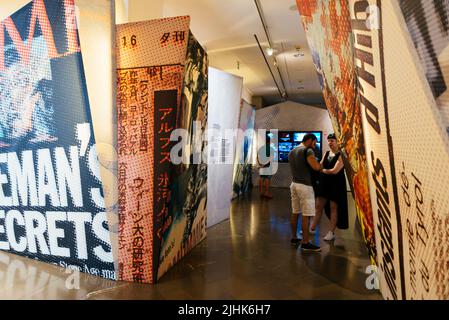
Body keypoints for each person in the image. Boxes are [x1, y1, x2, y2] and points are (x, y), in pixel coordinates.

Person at [310, 133, 349, 241]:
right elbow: (320, 165)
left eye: (332, 140)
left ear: (337, 142)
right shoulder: (326, 153)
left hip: (336, 184)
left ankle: (331, 232)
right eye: (329, 140)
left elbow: (334, 171)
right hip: (325, 183)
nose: (329, 143)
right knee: (318, 206)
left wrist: (322, 170)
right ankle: (312, 228)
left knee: (333, 208)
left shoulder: (341, 155)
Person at [288, 133, 322, 252]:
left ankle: (293, 238)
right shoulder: (308, 151)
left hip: (294, 184)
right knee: (306, 215)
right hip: (305, 186)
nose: (314, 145)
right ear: (310, 140)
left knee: (295, 212)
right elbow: (316, 167)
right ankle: (305, 242)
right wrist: (321, 164)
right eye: (314, 142)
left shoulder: (292, 151)